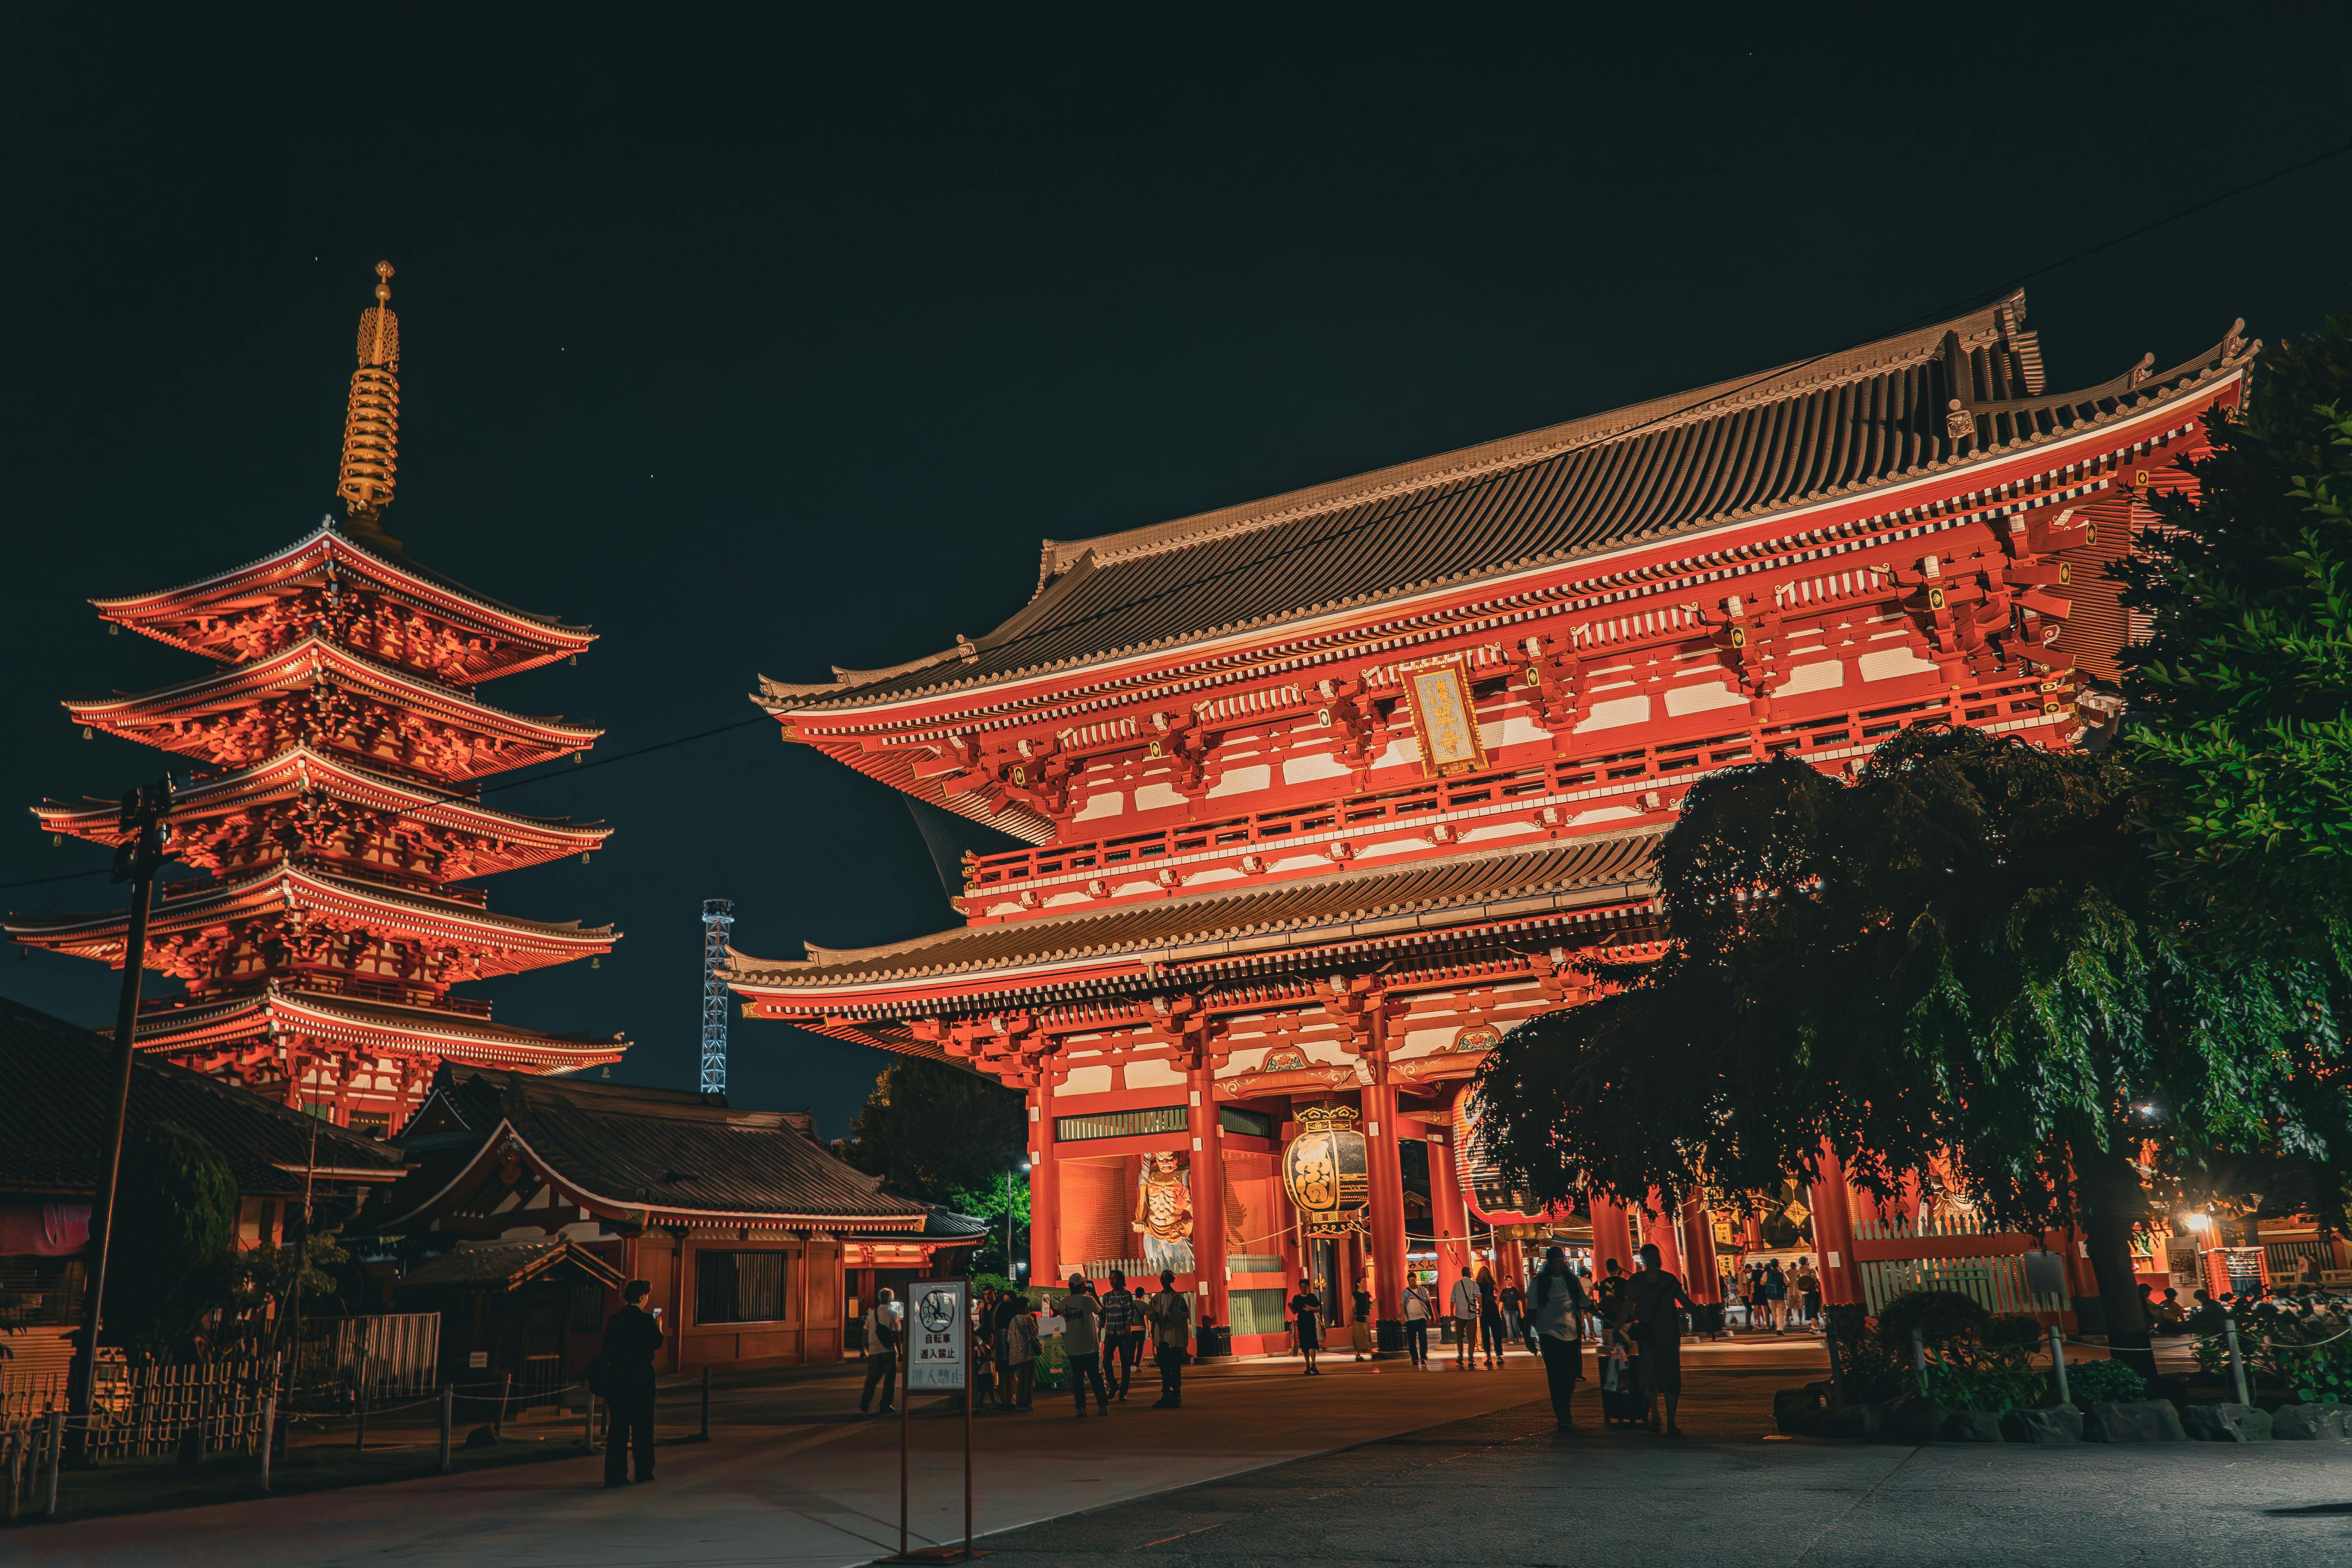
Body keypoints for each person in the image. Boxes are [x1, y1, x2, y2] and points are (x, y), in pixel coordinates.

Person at [1618, 1242, 1698, 1437]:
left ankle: (1662, 1418)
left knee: (1654, 1376)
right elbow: (1685, 1302)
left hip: (1658, 1336)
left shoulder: (1638, 1281)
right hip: (1661, 1335)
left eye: (1656, 1257)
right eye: (1653, 1257)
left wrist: (1617, 1326)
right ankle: (1663, 1418)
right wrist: (1698, 1315)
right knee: (1664, 1377)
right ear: (1645, 1260)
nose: (1656, 1260)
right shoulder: (1668, 1280)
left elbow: (1627, 1306)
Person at [600, 1279, 664, 1486]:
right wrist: (659, 1327)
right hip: (641, 1377)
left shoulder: (615, 1320)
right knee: (643, 1426)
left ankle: (616, 1474)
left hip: (618, 1377)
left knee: (618, 1426)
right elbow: (657, 1342)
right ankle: (644, 1470)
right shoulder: (646, 1320)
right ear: (643, 1297)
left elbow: (607, 1349)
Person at [1530, 1246, 1589, 1428]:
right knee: (1556, 1376)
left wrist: (1610, 1317)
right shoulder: (1539, 1282)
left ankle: (1565, 1405)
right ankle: (1562, 1414)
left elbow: (1584, 1303)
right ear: (1549, 1261)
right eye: (1556, 1260)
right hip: (1549, 1334)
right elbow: (1530, 1311)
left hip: (1571, 1333)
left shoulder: (1572, 1281)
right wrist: (1528, 1338)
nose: (1560, 1263)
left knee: (1570, 1375)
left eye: (1561, 1260)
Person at [1060, 1274, 1109, 1416]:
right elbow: (1102, 1312)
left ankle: (1080, 1408)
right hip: (1089, 1346)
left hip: (1072, 1348)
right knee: (1095, 1377)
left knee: (1078, 1379)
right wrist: (1093, 1293)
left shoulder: (1064, 1303)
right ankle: (1102, 1405)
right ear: (1082, 1286)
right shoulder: (1088, 1300)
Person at [1147, 1268, 1191, 1407]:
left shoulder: (1178, 1298)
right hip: (1161, 1339)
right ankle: (1166, 1393)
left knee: (1175, 1368)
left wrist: (1171, 1318)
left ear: (1171, 1281)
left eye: (1167, 1279)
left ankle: (1176, 1394)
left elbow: (1185, 1315)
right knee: (1165, 1369)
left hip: (1175, 1340)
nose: (1164, 1281)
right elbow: (1150, 1315)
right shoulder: (1156, 1299)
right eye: (1162, 1279)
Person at [859, 1285, 902, 1418]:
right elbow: (896, 1334)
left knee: (872, 1378)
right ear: (891, 1299)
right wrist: (900, 1352)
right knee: (890, 1380)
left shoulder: (872, 1313)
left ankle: (866, 1399)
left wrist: (863, 1349)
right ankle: (885, 1405)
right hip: (888, 1351)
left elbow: (865, 1332)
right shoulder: (892, 1313)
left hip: (873, 1352)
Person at [1100, 1269, 1142, 1401]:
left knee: (1125, 1363)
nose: (1112, 1281)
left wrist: (1128, 1326)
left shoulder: (1127, 1295)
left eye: (1115, 1278)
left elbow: (1131, 1313)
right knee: (1106, 1360)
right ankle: (1113, 1385)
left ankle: (1123, 1392)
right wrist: (1100, 1327)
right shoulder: (1106, 1297)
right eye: (1110, 1278)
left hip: (1124, 1334)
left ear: (1122, 1280)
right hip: (1110, 1333)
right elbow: (1103, 1315)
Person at [1004, 1293, 1039, 1410]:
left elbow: (1009, 1338)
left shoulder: (1014, 1320)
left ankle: (1019, 1402)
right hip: (1028, 1353)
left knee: (1021, 1379)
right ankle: (1027, 1402)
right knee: (1028, 1379)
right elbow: (1035, 1331)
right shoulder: (1027, 1319)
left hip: (1016, 1354)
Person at [1449, 1265, 1481, 1368]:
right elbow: (1479, 1297)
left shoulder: (1456, 1285)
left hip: (1459, 1314)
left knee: (1459, 1336)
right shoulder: (1474, 1284)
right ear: (1470, 1274)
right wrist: (1480, 1308)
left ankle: (1460, 1356)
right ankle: (1471, 1357)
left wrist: (1451, 1313)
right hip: (1471, 1314)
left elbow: (1452, 1300)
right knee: (1471, 1336)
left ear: (1462, 1274)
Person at [1290, 1278, 1324, 1374]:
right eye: (1302, 1287)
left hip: (1311, 1322)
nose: (1303, 1288)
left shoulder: (1312, 1297)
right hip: (1302, 1323)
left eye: (1305, 1287)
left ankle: (1314, 1363)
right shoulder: (1297, 1298)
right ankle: (1308, 1365)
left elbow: (1318, 1308)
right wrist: (1290, 1306)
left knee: (1313, 1343)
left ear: (1308, 1287)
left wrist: (1311, 1309)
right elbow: (1294, 1311)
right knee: (1305, 1344)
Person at [1476, 1265, 1506, 1368]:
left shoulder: (1478, 1283)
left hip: (1484, 1309)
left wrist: (1480, 1309)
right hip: (1493, 1307)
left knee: (1485, 1334)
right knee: (1496, 1333)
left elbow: (1479, 1297)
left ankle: (1488, 1357)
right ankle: (1499, 1356)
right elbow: (1497, 1293)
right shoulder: (1492, 1282)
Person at [1400, 1275, 1432, 1367]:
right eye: (1410, 1281)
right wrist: (1402, 1316)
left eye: (1413, 1280)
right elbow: (1402, 1304)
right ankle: (1414, 1358)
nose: (1412, 1282)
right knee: (1411, 1340)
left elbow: (1428, 1303)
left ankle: (1423, 1357)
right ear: (1408, 1281)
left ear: (1416, 1280)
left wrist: (1432, 1315)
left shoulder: (1423, 1290)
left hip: (1422, 1318)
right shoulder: (1405, 1292)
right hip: (1410, 1319)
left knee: (1423, 1338)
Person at [1795, 1258, 1822, 1330]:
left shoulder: (1799, 1271)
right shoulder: (1811, 1270)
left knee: (1809, 1307)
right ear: (1806, 1262)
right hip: (1814, 1290)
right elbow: (1817, 1279)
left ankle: (1814, 1322)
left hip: (1805, 1292)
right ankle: (1814, 1323)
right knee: (1814, 1307)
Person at [1762, 1259, 1788, 1333]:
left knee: (1774, 1313)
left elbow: (1762, 1282)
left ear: (1771, 1265)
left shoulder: (1767, 1274)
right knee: (1781, 1313)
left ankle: (1777, 1326)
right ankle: (1780, 1329)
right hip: (1780, 1296)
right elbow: (1787, 1283)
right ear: (1778, 1265)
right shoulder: (1781, 1274)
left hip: (1771, 1296)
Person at [1499, 1277, 1526, 1344]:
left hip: (1514, 1311)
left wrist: (1521, 1311)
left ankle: (1520, 1337)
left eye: (1510, 1280)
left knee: (1515, 1324)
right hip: (1507, 1311)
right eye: (1507, 1280)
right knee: (1509, 1325)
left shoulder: (1515, 1290)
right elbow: (1501, 1302)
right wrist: (1499, 1312)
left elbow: (1519, 1301)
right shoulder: (1504, 1291)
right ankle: (1511, 1339)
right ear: (1505, 1282)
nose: (1508, 1282)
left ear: (1512, 1281)